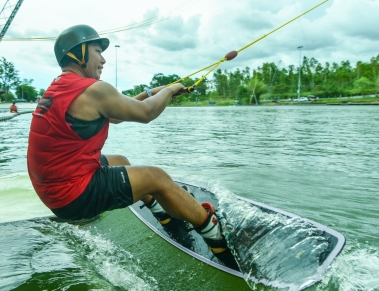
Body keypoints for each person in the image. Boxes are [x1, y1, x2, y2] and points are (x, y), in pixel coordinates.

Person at [27, 24, 237, 268]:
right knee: (156, 177)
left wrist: (151, 92)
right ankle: (216, 235)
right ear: (79, 53)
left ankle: (167, 218)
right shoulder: (93, 90)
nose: (103, 59)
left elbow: (115, 116)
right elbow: (146, 114)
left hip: (55, 192)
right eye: (97, 51)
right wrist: (168, 90)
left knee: (121, 161)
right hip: (73, 196)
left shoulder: (60, 87)